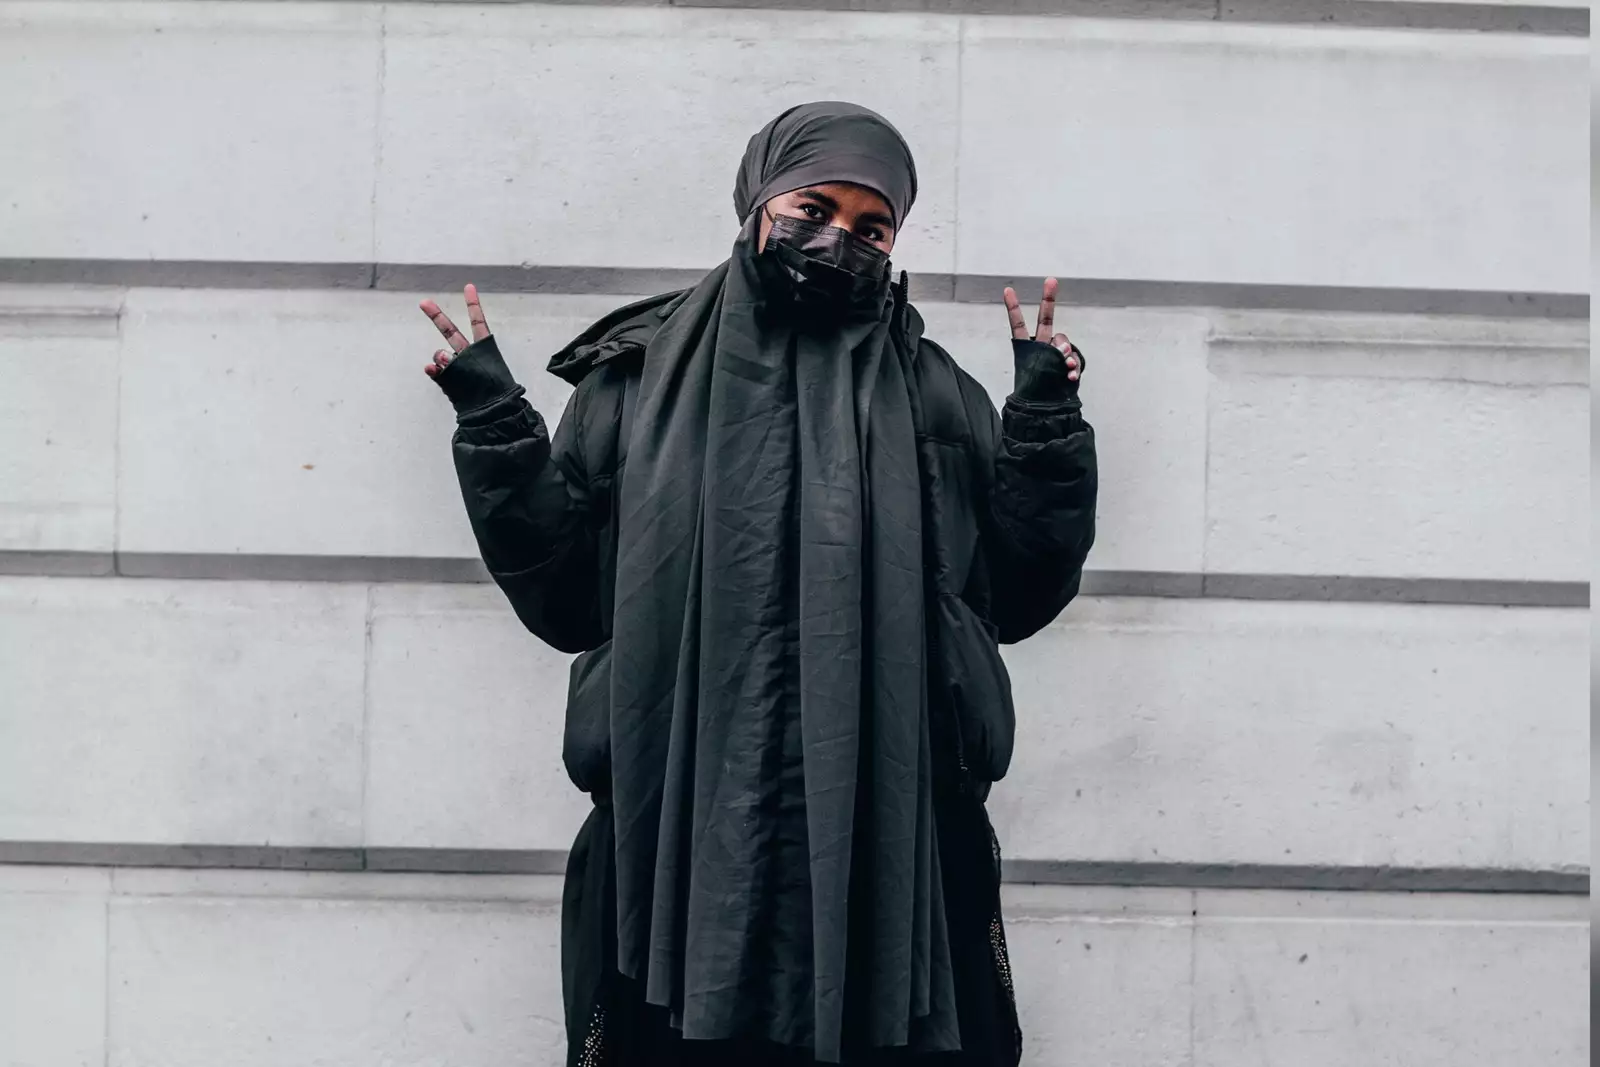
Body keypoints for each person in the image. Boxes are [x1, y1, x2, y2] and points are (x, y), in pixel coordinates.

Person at [419, 102, 1096, 1067]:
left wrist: (1044, 425)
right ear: (756, 204)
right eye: (814, 208)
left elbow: (1019, 593)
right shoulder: (635, 382)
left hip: (894, 839)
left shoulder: (937, 393)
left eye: (873, 228)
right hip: (680, 829)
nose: (840, 241)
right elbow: (567, 599)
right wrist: (493, 419)